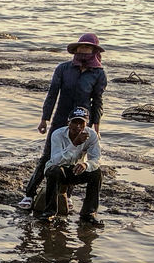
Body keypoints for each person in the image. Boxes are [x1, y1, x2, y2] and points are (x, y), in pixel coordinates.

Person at [17, 33, 108, 209]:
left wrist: (96, 125)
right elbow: (52, 94)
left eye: (88, 48)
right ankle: (29, 194)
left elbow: (97, 101)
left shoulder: (98, 74)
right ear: (76, 49)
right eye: (81, 47)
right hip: (61, 117)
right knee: (48, 156)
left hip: (82, 119)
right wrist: (45, 119)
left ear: (94, 51)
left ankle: (67, 195)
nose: (84, 51)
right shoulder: (63, 68)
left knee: (76, 156)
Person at [37, 107, 103, 226]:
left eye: (81, 123)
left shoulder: (92, 135)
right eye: (74, 122)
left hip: (75, 169)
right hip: (58, 169)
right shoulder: (58, 134)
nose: (77, 126)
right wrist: (74, 144)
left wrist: (86, 164)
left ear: (86, 124)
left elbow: (96, 159)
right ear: (68, 122)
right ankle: (49, 213)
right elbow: (56, 160)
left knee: (96, 173)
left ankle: (88, 213)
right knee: (54, 171)